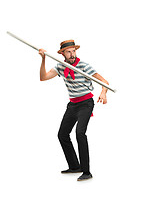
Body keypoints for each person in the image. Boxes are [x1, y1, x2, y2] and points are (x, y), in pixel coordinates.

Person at [39, 40, 109, 181]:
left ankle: (86, 171)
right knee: (62, 134)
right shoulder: (60, 66)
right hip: (72, 105)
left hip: (86, 103)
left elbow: (104, 82)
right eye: (68, 52)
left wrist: (103, 92)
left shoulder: (83, 66)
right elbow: (43, 77)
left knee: (80, 133)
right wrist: (43, 59)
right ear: (63, 53)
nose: (72, 54)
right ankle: (74, 166)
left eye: (73, 51)